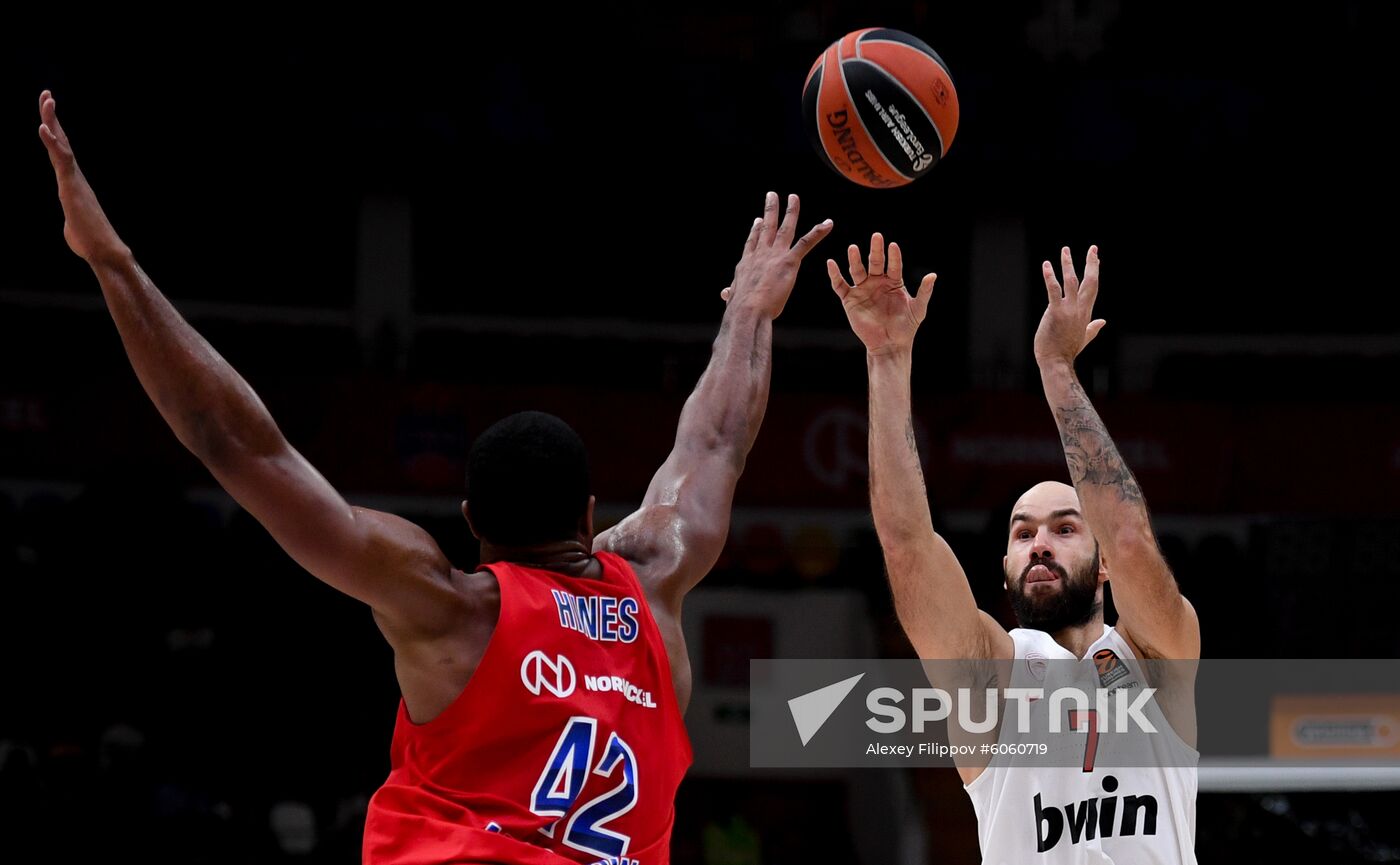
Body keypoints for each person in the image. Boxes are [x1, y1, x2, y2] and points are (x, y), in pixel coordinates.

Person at [37, 89, 833, 864]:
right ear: (590, 514)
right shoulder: (655, 580)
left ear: (470, 519)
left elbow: (238, 443)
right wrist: (749, 314)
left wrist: (114, 265)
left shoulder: (452, 608)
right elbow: (716, 440)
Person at [827, 233, 1200, 863]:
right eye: (1022, 533)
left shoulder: (1160, 652)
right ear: (1003, 572)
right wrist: (887, 360)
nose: (1040, 545)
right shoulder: (993, 681)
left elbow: (1133, 539)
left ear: (1103, 559)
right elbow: (908, 546)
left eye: (1064, 527)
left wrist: (1057, 368)